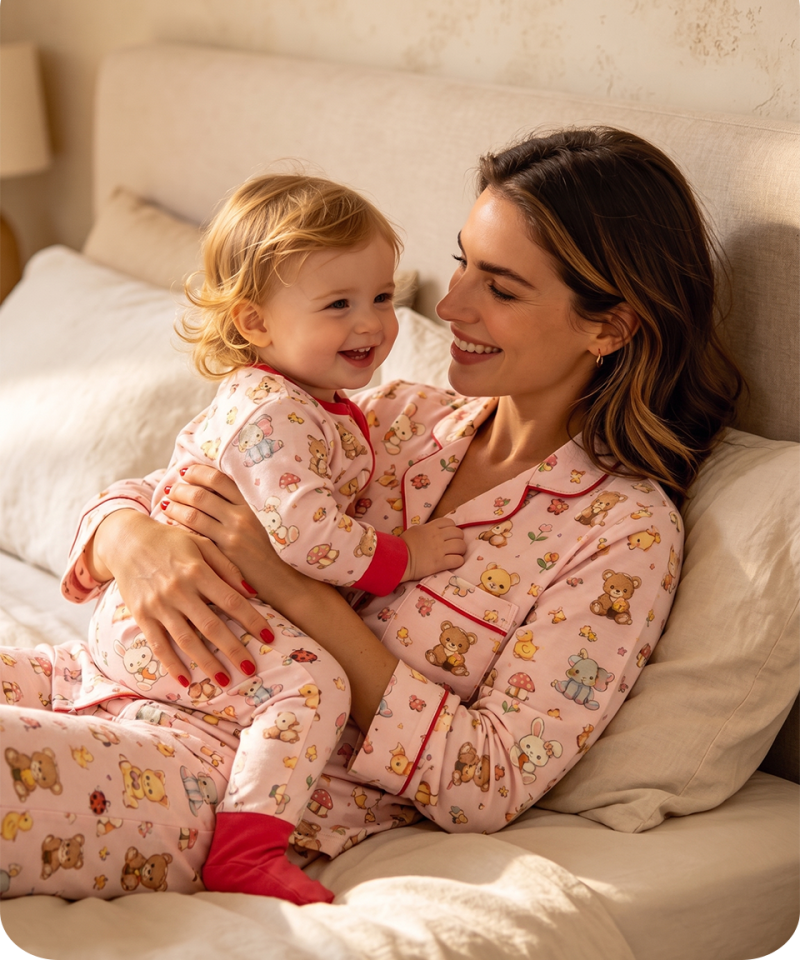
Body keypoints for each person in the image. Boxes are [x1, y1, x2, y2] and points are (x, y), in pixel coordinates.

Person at [0, 128, 742, 902]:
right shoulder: (388, 415)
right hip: (95, 673)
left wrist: (292, 591)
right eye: (463, 261)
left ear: (610, 326)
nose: (449, 304)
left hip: (216, 778)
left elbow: (484, 779)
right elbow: (181, 477)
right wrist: (132, 540)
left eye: (501, 286)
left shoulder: (622, 536)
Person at [0, 174, 465, 904]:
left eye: (380, 296)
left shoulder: (305, 401)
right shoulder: (274, 414)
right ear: (254, 323)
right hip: (177, 625)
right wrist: (407, 554)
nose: (372, 323)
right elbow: (310, 540)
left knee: (33, 671)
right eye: (338, 304)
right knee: (313, 686)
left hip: (144, 630)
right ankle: (247, 852)